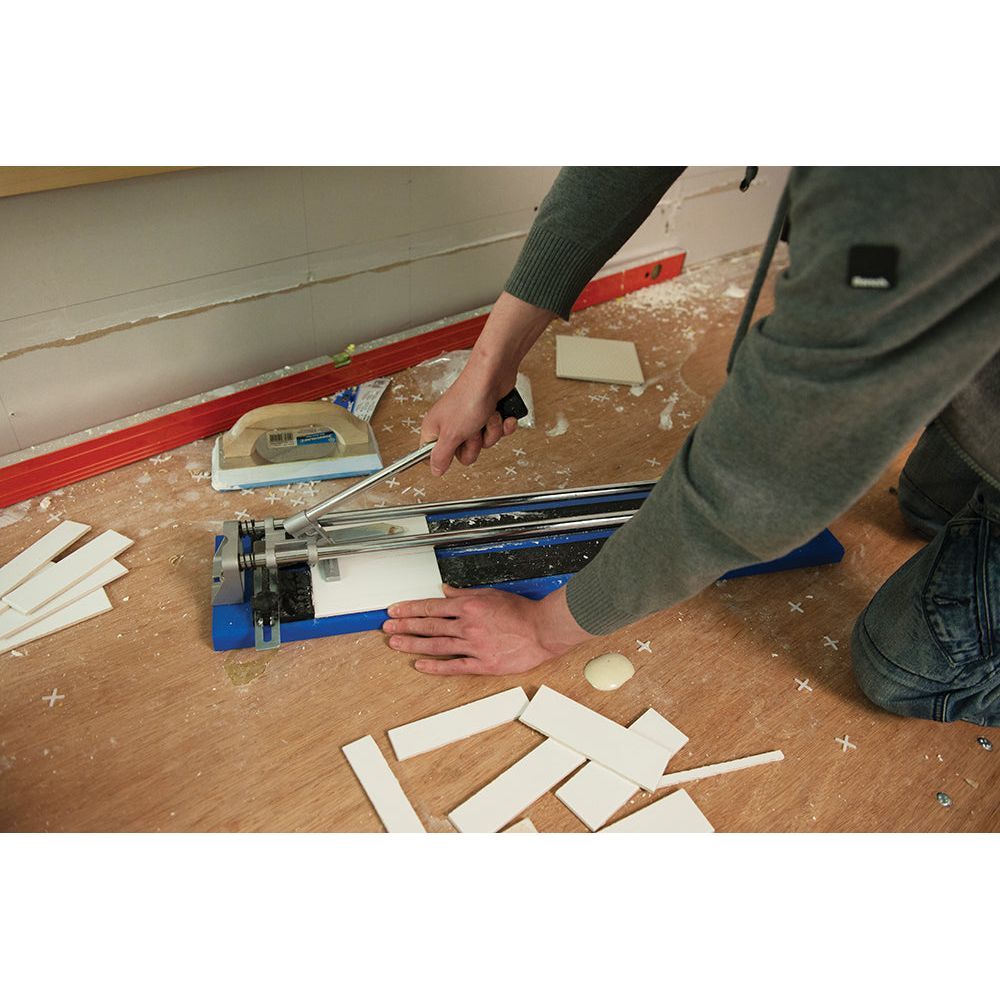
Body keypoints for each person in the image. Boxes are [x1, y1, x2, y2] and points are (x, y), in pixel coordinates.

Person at [381, 167, 1000, 728]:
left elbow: (766, 477)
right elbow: (620, 167)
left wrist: (546, 629)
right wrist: (490, 362)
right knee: (929, 503)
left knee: (906, 666)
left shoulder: (906, 186)